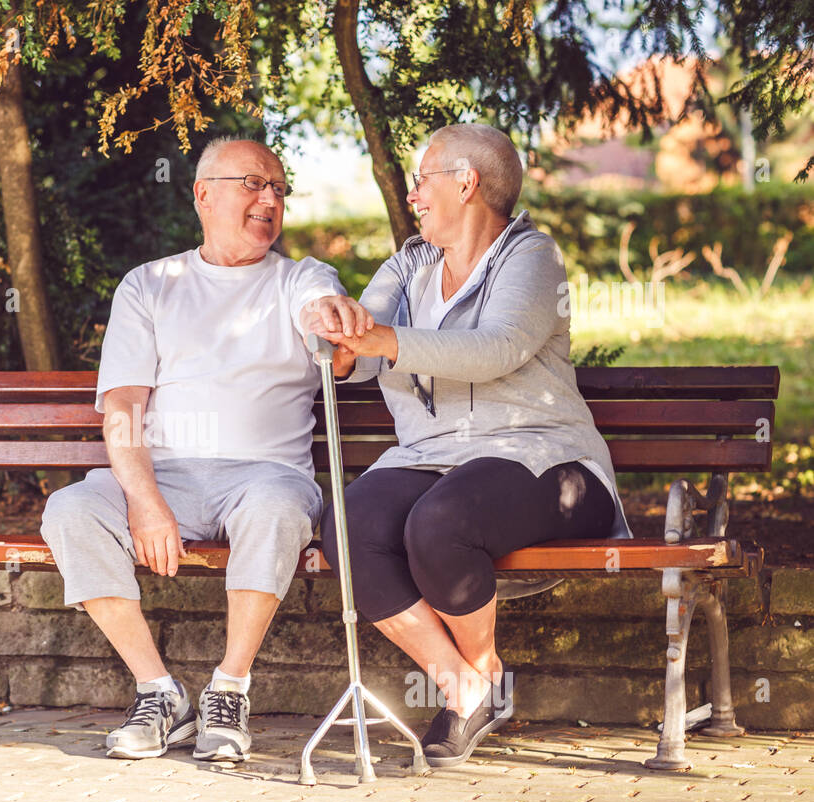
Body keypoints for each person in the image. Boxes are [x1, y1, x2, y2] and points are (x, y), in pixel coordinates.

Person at [302, 123, 632, 768]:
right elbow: (360, 350)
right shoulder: (408, 264)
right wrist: (338, 333)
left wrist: (384, 341)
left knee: (442, 523)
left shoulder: (530, 256)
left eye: (423, 179)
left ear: (467, 183)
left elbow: (500, 347)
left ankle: (474, 678)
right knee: (347, 523)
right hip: (431, 455)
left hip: (543, 457)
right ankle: (466, 685)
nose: (415, 194)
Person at [41, 137, 346, 761]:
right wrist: (146, 500)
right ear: (203, 194)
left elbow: (323, 309)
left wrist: (329, 320)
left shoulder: (300, 278)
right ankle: (160, 691)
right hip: (167, 476)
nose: (269, 199)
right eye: (253, 184)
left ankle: (229, 688)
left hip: (265, 477)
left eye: (279, 189)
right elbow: (123, 409)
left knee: (276, 511)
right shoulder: (150, 285)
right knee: (70, 511)